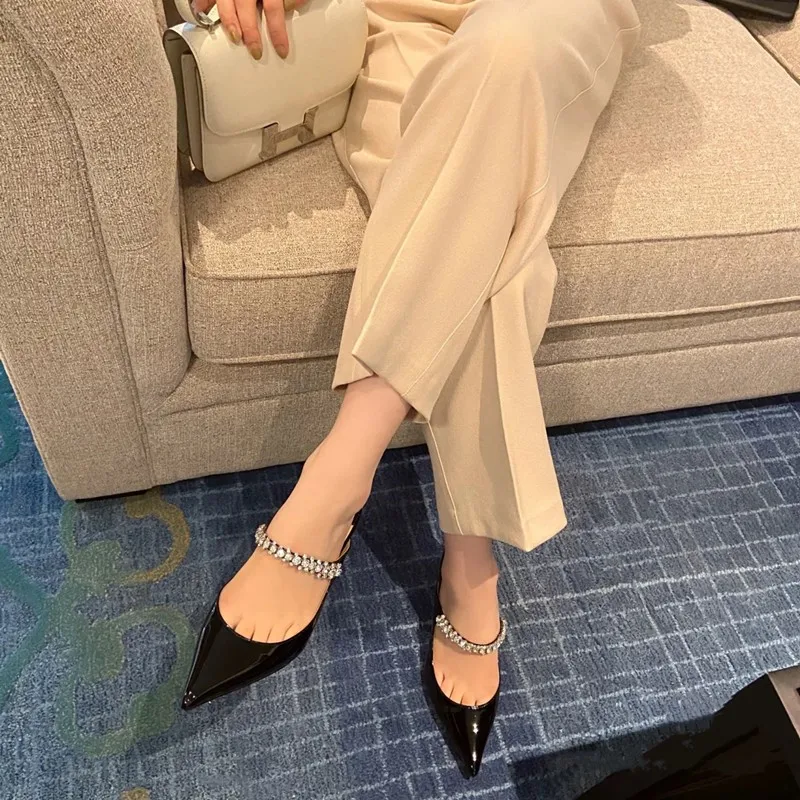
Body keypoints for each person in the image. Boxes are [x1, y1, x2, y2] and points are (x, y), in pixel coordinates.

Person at [181, 0, 641, 777]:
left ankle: (336, 478)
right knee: (469, 224)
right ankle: (470, 553)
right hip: (393, 13)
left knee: (505, 54)